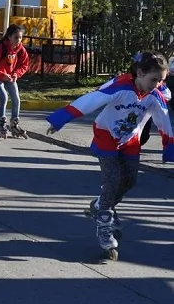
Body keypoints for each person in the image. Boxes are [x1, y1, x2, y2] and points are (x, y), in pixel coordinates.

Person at [46, 51, 173, 256]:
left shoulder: (155, 96)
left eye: (161, 81)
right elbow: (90, 100)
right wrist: (60, 119)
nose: (157, 84)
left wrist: (170, 147)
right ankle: (104, 223)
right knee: (112, 181)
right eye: (154, 79)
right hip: (106, 135)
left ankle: (100, 205)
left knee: (129, 181)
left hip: (130, 139)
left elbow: (164, 120)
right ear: (139, 72)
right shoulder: (121, 87)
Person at [0, 24, 29, 139]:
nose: (18, 40)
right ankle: (1, 124)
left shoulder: (20, 49)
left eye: (20, 37)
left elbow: (24, 65)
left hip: (10, 77)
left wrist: (16, 74)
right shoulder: (0, 48)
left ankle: (14, 124)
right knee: (4, 96)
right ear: (9, 37)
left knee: (16, 99)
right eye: (16, 37)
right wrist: (2, 75)